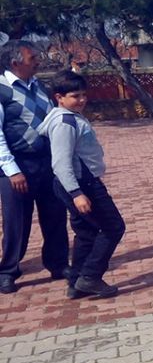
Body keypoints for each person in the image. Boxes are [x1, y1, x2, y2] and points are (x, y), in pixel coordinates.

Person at [39, 70, 125, 298]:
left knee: (86, 232)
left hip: (80, 182)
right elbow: (61, 162)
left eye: (84, 94)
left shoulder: (70, 116)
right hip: (80, 184)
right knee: (113, 227)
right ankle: (91, 276)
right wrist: (77, 193)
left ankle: (76, 282)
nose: (82, 100)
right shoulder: (64, 122)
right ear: (60, 97)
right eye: (75, 96)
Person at [0, 39, 69, 294]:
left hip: (46, 162)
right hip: (17, 166)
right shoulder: (2, 90)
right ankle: (8, 271)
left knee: (55, 215)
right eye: (33, 58)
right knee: (16, 221)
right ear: (16, 62)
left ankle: (58, 264)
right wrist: (13, 170)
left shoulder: (39, 86)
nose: (38, 61)